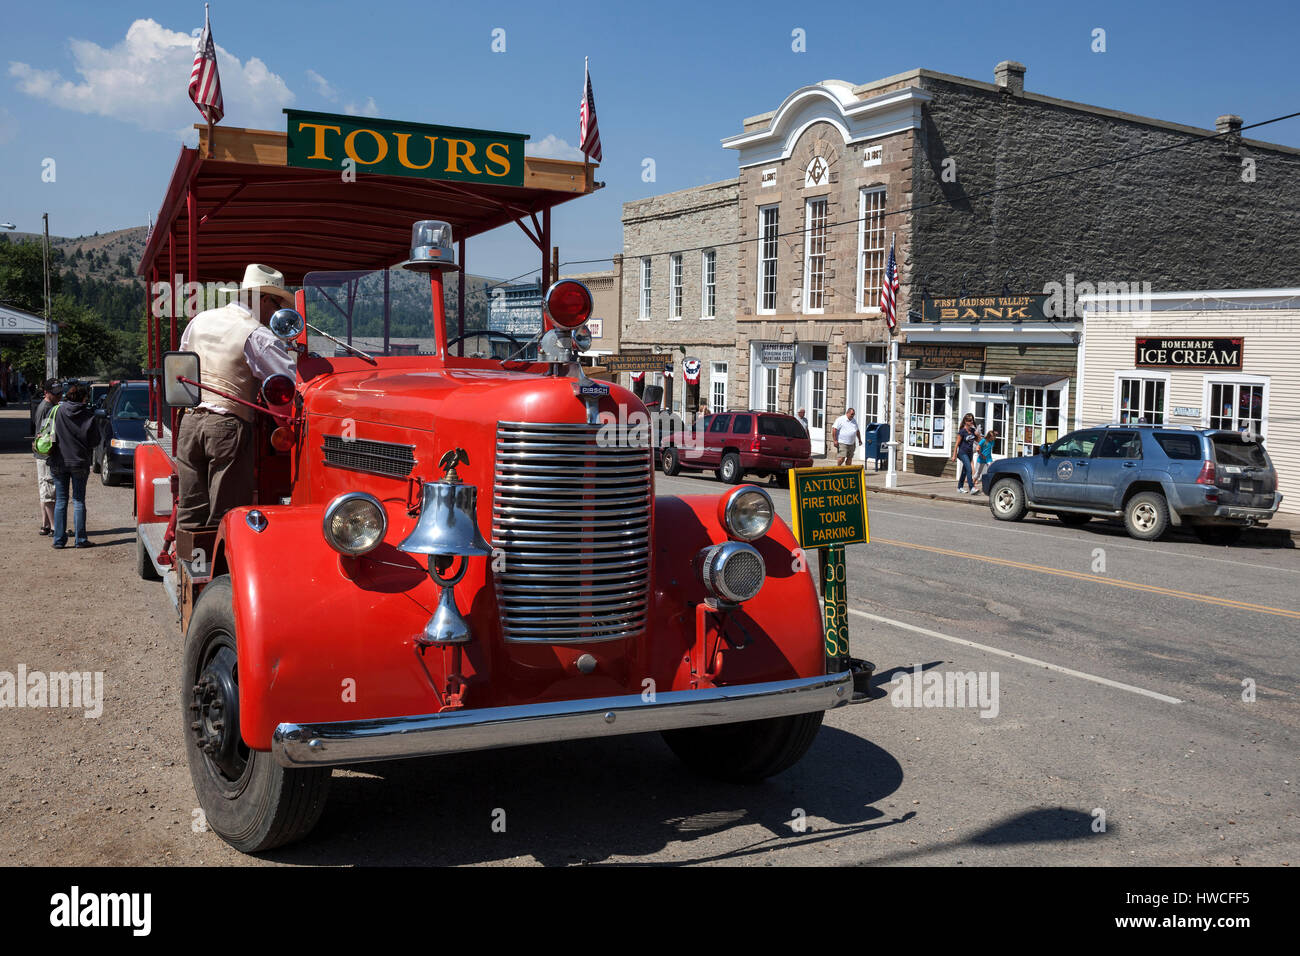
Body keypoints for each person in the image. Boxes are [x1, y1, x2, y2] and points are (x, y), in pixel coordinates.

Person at [176, 264, 296, 533]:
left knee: (190, 506)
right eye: (276, 305)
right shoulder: (257, 334)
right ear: (265, 299)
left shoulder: (200, 321)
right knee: (227, 510)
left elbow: (182, 363)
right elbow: (288, 382)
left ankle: (190, 565)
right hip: (227, 427)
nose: (274, 314)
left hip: (189, 422)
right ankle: (222, 573)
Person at [48, 382, 98, 548]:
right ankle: (81, 540)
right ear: (84, 398)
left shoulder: (57, 411)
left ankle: (59, 540)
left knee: (61, 501)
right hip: (79, 462)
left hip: (58, 460)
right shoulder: (88, 415)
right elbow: (95, 440)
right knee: (78, 500)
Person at [33, 379, 62, 535]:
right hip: (46, 456)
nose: (59, 396)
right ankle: (54, 527)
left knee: (44, 489)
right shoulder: (48, 408)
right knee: (49, 489)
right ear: (46, 392)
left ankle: (45, 525)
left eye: (60, 393)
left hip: (42, 455)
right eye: (55, 393)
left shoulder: (46, 406)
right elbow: (47, 436)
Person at [952, 413, 982, 493]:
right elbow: (957, 444)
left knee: (964, 471)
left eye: (972, 420)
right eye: (969, 420)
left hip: (969, 453)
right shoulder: (962, 432)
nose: (971, 422)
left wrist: (977, 435)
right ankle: (972, 488)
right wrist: (954, 455)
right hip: (962, 453)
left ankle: (960, 487)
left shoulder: (972, 431)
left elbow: (979, 441)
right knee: (969, 469)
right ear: (965, 421)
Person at [971, 428, 998, 492]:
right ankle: (972, 485)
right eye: (992, 437)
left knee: (991, 471)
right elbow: (978, 448)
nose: (993, 439)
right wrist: (981, 454)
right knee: (978, 473)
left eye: (994, 437)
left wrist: (995, 433)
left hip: (989, 458)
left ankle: (990, 486)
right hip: (981, 459)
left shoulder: (992, 441)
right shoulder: (983, 440)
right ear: (989, 436)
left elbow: (995, 433)